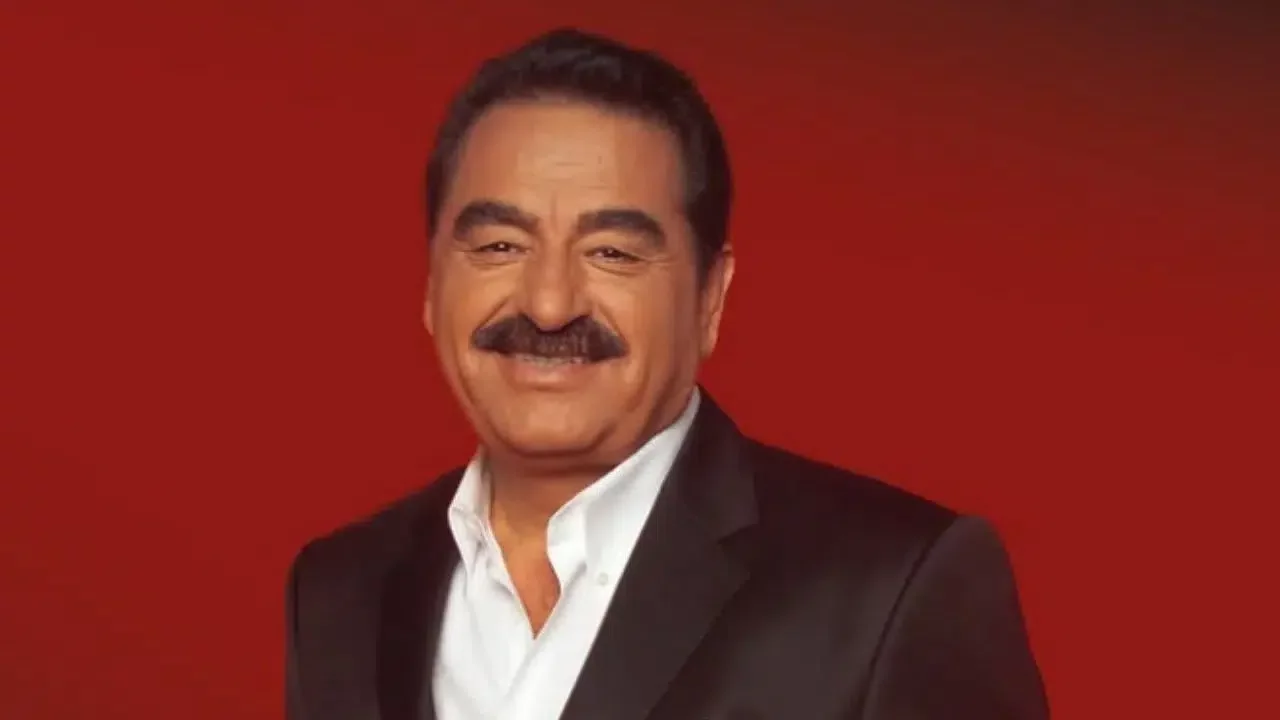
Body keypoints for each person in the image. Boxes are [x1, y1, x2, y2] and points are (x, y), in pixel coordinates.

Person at [284, 27, 1049, 720]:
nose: (549, 303)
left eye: (612, 253)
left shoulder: (889, 594)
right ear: (430, 285)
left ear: (710, 297)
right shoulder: (341, 592)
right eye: (499, 247)